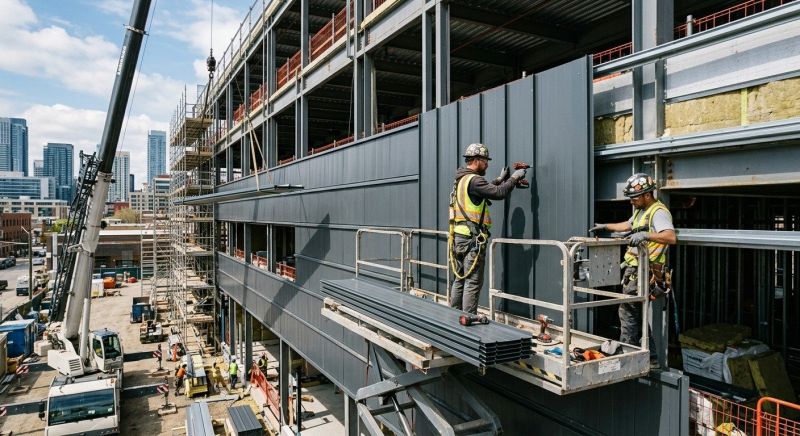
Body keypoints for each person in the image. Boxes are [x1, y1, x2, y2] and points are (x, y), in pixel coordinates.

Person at [589, 172, 677, 349]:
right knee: (637, 314)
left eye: (634, 197)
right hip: (636, 270)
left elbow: (670, 237)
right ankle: (650, 355)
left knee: (628, 313)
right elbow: (627, 225)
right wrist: (605, 226)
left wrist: (645, 235)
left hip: (644, 270)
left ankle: (628, 352)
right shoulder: (641, 211)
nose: (631, 201)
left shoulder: (658, 212)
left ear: (647, 195)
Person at [448, 143, 526, 314]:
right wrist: (514, 178)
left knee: (460, 278)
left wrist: (499, 180)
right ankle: (468, 318)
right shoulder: (475, 180)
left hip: (459, 237)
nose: (487, 164)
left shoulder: (461, 179)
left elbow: (482, 191)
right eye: (485, 161)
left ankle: (454, 316)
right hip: (471, 239)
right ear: (476, 160)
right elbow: (498, 193)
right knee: (472, 281)